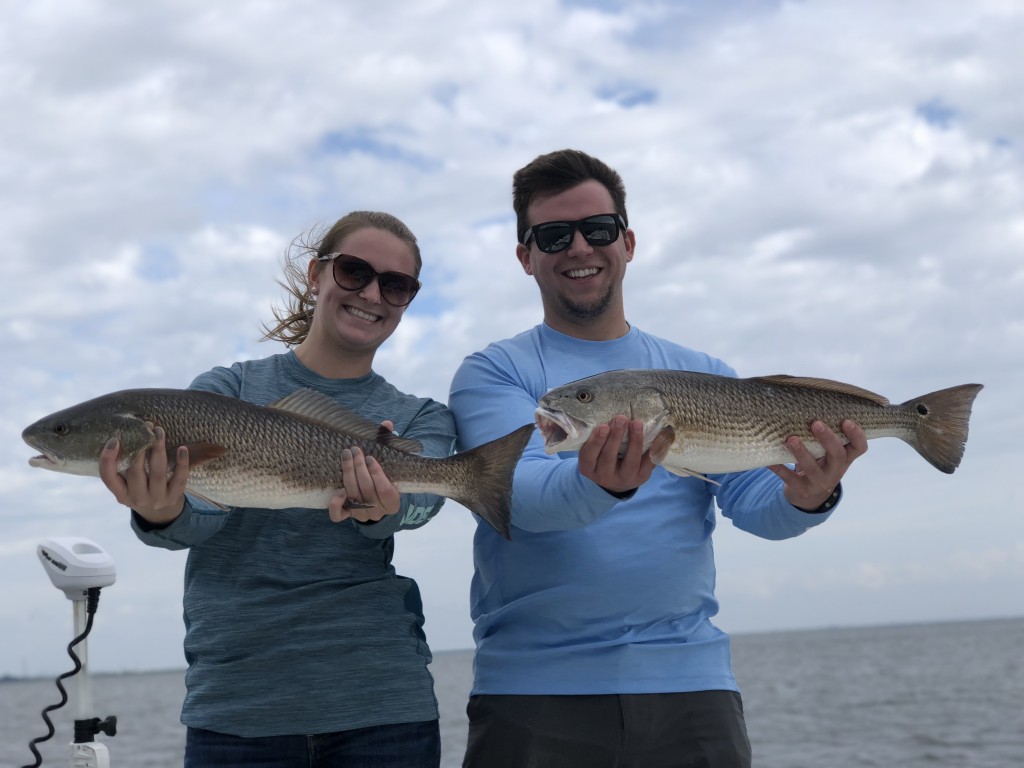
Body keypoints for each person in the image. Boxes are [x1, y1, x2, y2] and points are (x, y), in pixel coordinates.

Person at [448, 149, 869, 768]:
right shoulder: (496, 372)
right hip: (536, 690)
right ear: (525, 257)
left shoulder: (704, 373)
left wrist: (810, 496)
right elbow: (517, 496)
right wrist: (603, 485)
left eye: (598, 229)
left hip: (693, 684)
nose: (579, 248)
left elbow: (757, 506)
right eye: (553, 236)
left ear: (628, 241)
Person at [98, 211, 451, 767]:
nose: (372, 293)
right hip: (238, 707)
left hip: (381, 705)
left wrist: (381, 511)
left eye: (396, 284)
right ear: (316, 275)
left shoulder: (420, 417)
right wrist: (162, 514)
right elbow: (201, 516)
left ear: (409, 299)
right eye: (355, 271)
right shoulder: (227, 390)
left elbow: (422, 505)